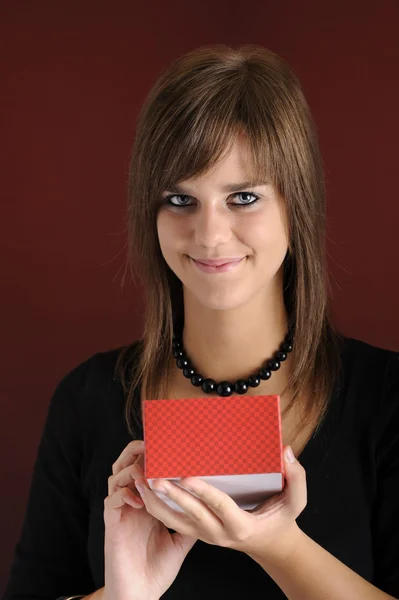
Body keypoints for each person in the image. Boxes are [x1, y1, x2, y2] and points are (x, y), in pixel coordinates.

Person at [3, 43, 399, 600]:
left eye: (242, 197)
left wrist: (280, 545)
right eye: (180, 200)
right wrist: (125, 595)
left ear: (297, 202)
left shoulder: (386, 401)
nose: (211, 235)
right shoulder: (86, 400)